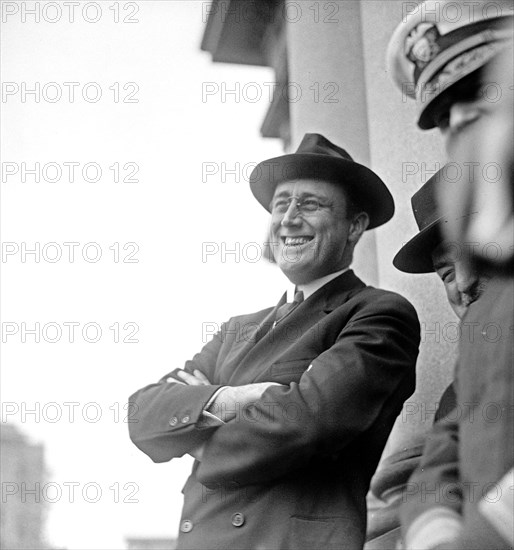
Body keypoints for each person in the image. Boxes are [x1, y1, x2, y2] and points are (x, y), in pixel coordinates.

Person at [128, 133, 420, 550]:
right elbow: (142, 414)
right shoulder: (237, 328)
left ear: (354, 226)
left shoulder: (378, 314)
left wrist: (196, 433)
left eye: (311, 204)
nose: (289, 219)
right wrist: (236, 400)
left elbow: (306, 424)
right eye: (281, 204)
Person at [387, 2, 513, 547]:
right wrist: (435, 537)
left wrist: (480, 538)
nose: (460, 122)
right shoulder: (488, 306)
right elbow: (445, 451)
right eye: (445, 116)